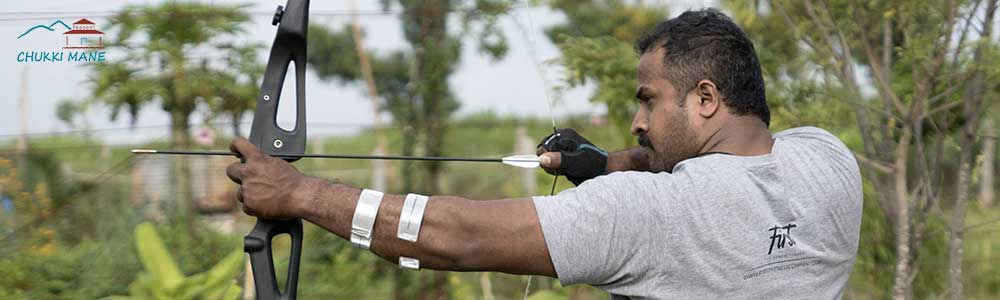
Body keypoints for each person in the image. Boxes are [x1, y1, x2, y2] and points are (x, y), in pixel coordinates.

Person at [226, 8, 862, 299]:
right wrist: (602, 163)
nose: (637, 123)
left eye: (649, 101)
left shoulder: (648, 216)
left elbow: (458, 236)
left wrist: (301, 195)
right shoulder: (829, 164)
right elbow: (722, 168)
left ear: (703, 97)